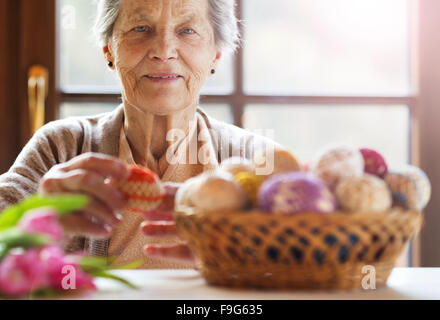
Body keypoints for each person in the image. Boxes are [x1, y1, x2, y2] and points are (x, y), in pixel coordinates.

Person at [0, 0, 288, 269]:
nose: (163, 50)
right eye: (141, 28)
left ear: (215, 54)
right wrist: (36, 222)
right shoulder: (60, 147)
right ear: (109, 50)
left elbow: (311, 265)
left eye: (187, 30)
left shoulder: (257, 162)